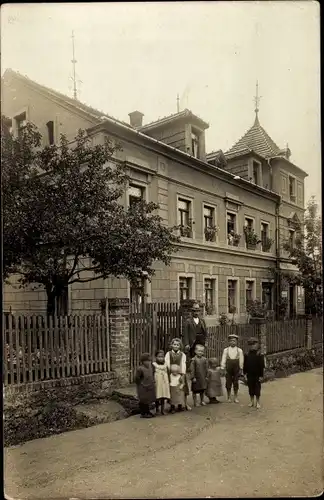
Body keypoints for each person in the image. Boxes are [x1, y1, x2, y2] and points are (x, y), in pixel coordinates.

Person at [220, 333, 244, 403]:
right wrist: (222, 367)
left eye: (234, 341)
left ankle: (236, 397)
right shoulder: (226, 350)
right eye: (231, 341)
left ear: (237, 342)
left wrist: (241, 368)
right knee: (228, 382)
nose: (232, 342)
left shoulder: (239, 350)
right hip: (228, 368)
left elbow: (241, 360)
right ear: (229, 342)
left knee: (236, 382)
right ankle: (228, 397)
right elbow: (223, 359)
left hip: (236, 368)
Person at [243, 337, 265, 409]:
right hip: (249, 374)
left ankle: (258, 402)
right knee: (250, 388)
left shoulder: (259, 354)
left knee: (257, 388)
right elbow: (245, 365)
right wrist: (245, 374)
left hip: (257, 375)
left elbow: (262, 366)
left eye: (254, 344)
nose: (252, 346)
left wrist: (261, 375)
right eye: (250, 345)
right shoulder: (246, 354)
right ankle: (252, 401)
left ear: (257, 345)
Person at [134, 353, 156, 418]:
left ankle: (147, 411)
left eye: (149, 360)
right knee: (143, 400)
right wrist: (140, 384)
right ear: (142, 361)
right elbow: (137, 378)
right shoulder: (140, 369)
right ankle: (143, 413)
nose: (148, 362)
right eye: (146, 361)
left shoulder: (151, 367)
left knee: (148, 400)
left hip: (149, 387)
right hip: (142, 387)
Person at [152, 350, 170, 415]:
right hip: (157, 383)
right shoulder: (154, 365)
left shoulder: (166, 365)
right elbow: (152, 374)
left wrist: (169, 381)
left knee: (163, 396)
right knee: (157, 395)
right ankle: (157, 409)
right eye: (159, 357)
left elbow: (168, 373)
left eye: (162, 357)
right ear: (156, 357)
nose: (161, 358)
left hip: (164, 382)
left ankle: (162, 410)